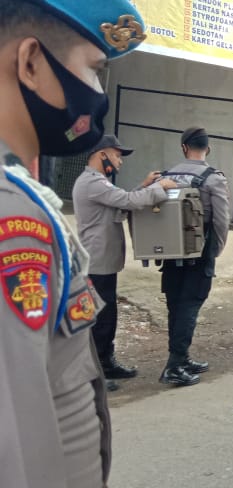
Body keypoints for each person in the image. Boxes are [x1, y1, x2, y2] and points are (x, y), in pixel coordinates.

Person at [0, 0, 148, 486]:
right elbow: (16, 438)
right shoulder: (14, 218)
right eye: (93, 69)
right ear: (29, 62)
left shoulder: (23, 196)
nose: (97, 95)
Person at [72, 135, 176, 391]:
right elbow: (128, 202)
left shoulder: (100, 183)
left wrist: (144, 185)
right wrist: (160, 187)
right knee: (99, 320)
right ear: (101, 155)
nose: (120, 162)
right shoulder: (91, 183)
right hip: (97, 262)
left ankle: (106, 363)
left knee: (108, 316)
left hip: (105, 261)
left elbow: (122, 203)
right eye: (117, 155)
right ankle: (94, 375)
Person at [157, 127, 230, 387]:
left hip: (169, 250)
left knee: (175, 303)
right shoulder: (213, 178)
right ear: (207, 149)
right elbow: (221, 220)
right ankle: (175, 365)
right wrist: (216, 249)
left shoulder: (165, 176)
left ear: (184, 147)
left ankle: (180, 357)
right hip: (200, 250)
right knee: (190, 304)